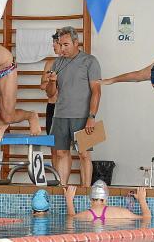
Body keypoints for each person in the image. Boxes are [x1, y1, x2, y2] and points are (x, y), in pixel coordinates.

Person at [45, 26, 101, 187]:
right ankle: (63, 189)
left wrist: (92, 117)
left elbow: (97, 92)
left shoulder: (90, 61)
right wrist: (52, 81)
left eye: (66, 45)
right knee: (61, 153)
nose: (62, 49)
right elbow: (50, 94)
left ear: (76, 42)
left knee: (84, 154)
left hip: (83, 116)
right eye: (60, 44)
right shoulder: (57, 63)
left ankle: (85, 191)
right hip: (60, 115)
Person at [0, 32, 41, 142]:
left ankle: (31, 115)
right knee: (6, 119)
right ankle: (2, 122)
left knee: (8, 116)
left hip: (6, 67)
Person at [64, 180, 151, 220]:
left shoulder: (84, 215)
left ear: (90, 199)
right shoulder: (121, 212)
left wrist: (69, 200)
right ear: (106, 199)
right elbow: (147, 218)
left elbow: (71, 218)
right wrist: (142, 200)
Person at [40, 30, 62, 168]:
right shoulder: (50, 63)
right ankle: (58, 182)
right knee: (54, 148)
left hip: (71, 109)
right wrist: (51, 81)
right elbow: (42, 85)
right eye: (53, 43)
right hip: (53, 107)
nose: (54, 46)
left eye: (56, 43)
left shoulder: (74, 63)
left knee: (67, 151)